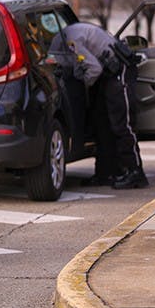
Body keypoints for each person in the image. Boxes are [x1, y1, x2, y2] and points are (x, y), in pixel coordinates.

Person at [51, 21, 147, 189]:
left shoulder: (70, 42)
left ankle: (136, 172)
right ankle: (106, 173)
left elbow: (94, 69)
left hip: (119, 70)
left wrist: (83, 85)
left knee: (121, 125)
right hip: (107, 74)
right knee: (102, 124)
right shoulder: (69, 35)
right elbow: (81, 65)